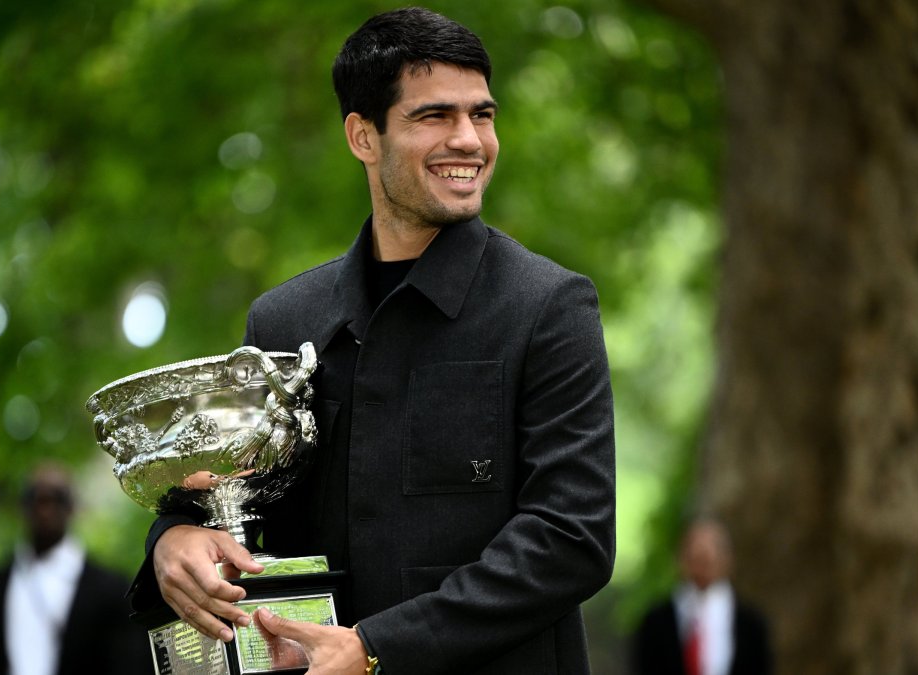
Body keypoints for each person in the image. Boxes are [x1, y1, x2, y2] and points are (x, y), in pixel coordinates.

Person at [129, 8, 616, 674]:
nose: (470, 140)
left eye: (482, 114)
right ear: (363, 136)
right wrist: (172, 538)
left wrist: (377, 648)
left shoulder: (548, 307)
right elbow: (220, 495)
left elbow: (571, 538)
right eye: (434, 117)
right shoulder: (283, 320)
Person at [0, 463, 151, 675]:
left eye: (56, 498)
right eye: (35, 498)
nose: (45, 509)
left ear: (72, 507)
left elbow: (130, 663)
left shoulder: (112, 590)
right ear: (22, 507)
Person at [630, 517, 772, 675]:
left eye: (712, 553)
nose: (703, 561)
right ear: (680, 558)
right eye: (696, 555)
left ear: (728, 559)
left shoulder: (751, 624)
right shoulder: (655, 622)